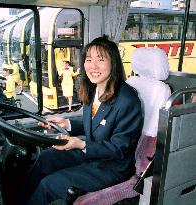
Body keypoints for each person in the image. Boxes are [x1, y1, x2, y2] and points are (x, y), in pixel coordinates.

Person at [22, 36, 143, 205]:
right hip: (92, 154)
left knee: (48, 185)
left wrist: (81, 144)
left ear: (113, 63)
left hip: (111, 167)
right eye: (88, 59)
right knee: (44, 159)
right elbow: (97, 122)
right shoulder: (94, 89)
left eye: (100, 60)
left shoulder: (128, 100)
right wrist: (67, 124)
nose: (93, 66)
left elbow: (119, 148)